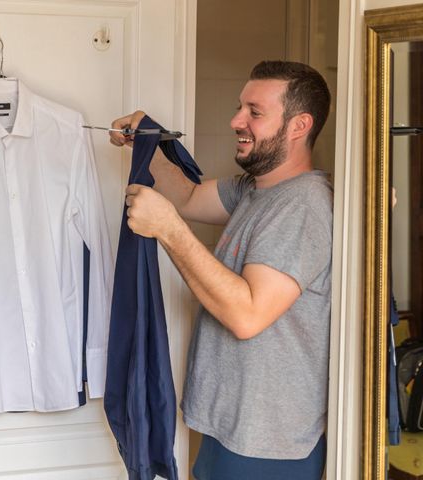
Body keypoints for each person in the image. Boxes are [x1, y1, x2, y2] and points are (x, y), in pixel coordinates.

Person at [109, 60, 333, 479]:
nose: (236, 121)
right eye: (239, 107)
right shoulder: (258, 188)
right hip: (229, 430)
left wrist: (169, 231)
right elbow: (190, 197)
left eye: (254, 112)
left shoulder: (302, 206)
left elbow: (247, 315)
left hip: (267, 445)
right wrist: (146, 142)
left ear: (300, 125)